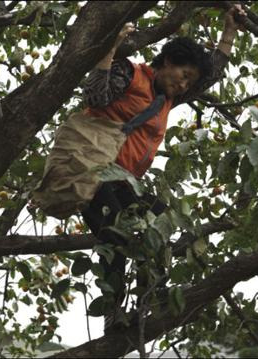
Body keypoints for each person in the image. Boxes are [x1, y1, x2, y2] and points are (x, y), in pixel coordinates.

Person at [80, 5, 246, 333]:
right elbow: (95, 94)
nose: (185, 85)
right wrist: (110, 47)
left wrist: (229, 32)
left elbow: (210, 74)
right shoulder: (130, 74)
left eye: (189, 82)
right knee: (116, 235)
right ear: (168, 62)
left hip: (124, 182)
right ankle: (114, 313)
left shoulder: (166, 97)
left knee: (161, 225)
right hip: (92, 173)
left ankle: (147, 302)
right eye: (184, 76)